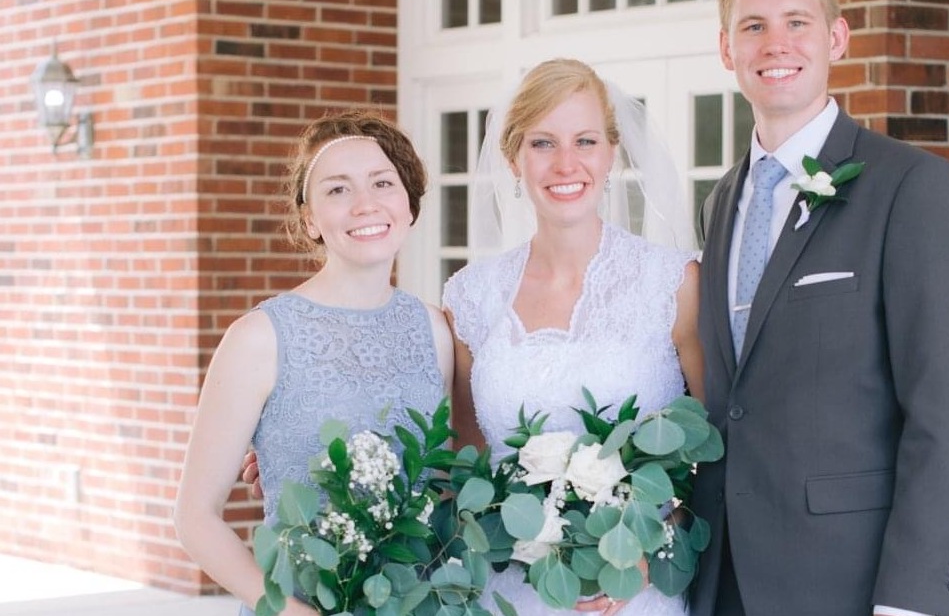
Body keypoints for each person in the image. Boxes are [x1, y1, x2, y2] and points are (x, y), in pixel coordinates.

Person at [688, 0, 949, 616]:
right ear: (727, 50)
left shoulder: (910, 186)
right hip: (726, 578)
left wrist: (910, 600)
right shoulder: (719, 201)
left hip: (856, 584)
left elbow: (944, 412)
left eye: (797, 21)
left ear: (837, 37)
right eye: (753, 26)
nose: (776, 43)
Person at [443, 58, 703, 616]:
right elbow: (466, 461)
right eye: (542, 143)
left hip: (637, 593)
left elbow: (716, 451)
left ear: (611, 152)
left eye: (585, 140)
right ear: (513, 159)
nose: (566, 163)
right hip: (513, 595)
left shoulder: (673, 284)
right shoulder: (471, 297)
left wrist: (648, 551)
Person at [174, 109, 453, 616]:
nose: (365, 204)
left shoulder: (434, 330)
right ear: (310, 219)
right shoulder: (258, 338)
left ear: (409, 204)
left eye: (382, 182)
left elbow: (445, 488)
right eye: (337, 190)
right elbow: (195, 518)